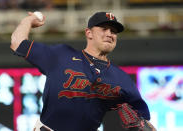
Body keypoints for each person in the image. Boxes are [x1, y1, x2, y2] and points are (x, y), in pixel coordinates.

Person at [11, 11, 154, 131]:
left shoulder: (121, 79)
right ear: (89, 33)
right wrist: (28, 21)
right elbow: (17, 43)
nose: (110, 34)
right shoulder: (61, 56)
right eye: (104, 29)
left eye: (114, 31)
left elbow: (144, 123)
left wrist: (143, 125)